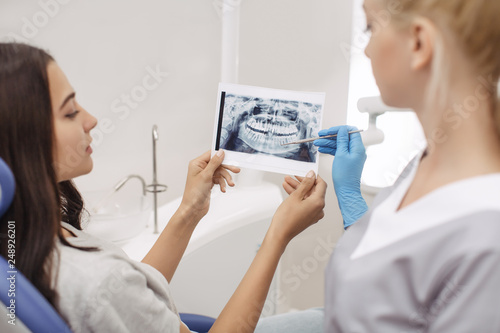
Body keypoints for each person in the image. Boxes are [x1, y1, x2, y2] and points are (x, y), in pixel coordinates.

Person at [0, 42, 328, 333]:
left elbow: (131, 293)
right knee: (327, 320)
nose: (91, 119)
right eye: (70, 112)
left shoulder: (25, 233)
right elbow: (113, 291)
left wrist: (190, 209)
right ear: (24, 141)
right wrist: (278, 235)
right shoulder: (92, 282)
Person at [311, 0, 500, 331]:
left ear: (418, 43)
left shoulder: (488, 248)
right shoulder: (424, 162)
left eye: (370, 28)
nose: (366, 50)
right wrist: (351, 196)